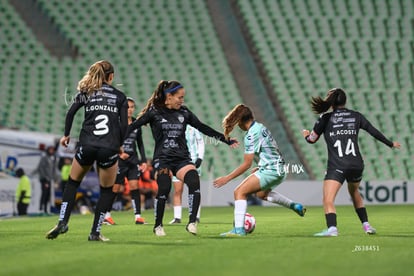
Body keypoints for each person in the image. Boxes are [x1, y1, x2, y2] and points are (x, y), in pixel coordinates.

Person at [127, 80, 238, 236]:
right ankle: (158, 225)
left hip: (181, 159)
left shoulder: (184, 112)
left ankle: (192, 223)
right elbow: (133, 126)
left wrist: (225, 139)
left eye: (183, 97)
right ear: (169, 96)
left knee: (194, 181)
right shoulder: (154, 112)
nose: (182, 100)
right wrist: (115, 139)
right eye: (179, 97)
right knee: (164, 187)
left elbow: (202, 127)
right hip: (163, 159)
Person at [46, 60, 128, 242]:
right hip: (108, 147)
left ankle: (62, 221)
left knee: (73, 183)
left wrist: (66, 135)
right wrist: (120, 144)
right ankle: (95, 232)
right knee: (106, 191)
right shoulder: (120, 97)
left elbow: (70, 113)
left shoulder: (86, 92)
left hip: (87, 145)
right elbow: (124, 126)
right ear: (111, 77)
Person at [302, 88, 401, 237]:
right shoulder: (356, 116)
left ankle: (332, 229)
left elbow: (312, 140)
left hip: (337, 165)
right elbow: (373, 131)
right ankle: (366, 225)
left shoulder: (325, 118)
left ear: (331, 102)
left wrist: (306, 135)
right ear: (345, 101)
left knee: (328, 199)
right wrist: (390, 143)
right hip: (356, 164)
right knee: (354, 192)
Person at [213, 104, 306, 237]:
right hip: (279, 168)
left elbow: (246, 164)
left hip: (271, 170)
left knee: (239, 192)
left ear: (240, 121)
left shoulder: (251, 134)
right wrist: (262, 165)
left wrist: (226, 178)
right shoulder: (261, 127)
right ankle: (294, 206)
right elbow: (270, 149)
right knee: (261, 194)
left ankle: (238, 230)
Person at [103, 97, 147, 225]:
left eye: (132, 107)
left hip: (133, 161)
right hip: (119, 161)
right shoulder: (115, 123)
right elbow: (109, 142)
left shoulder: (136, 123)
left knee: (135, 186)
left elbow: (140, 143)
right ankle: (107, 215)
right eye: (127, 107)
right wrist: (118, 154)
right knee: (115, 188)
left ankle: (138, 216)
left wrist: (143, 160)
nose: (129, 109)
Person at [169, 125, 204, 224]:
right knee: (178, 190)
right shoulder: (172, 127)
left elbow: (200, 141)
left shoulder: (193, 127)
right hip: (177, 161)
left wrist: (200, 157)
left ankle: (196, 216)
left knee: (194, 189)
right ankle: (177, 217)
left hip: (192, 161)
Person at [32, 146, 57, 214]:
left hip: (49, 179)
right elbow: (40, 168)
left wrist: (54, 178)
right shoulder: (44, 158)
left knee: (48, 194)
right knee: (44, 193)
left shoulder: (52, 158)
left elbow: (53, 170)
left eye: (52, 150)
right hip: (44, 179)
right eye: (50, 150)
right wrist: (45, 177)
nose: (52, 151)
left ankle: (46, 209)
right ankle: (41, 208)